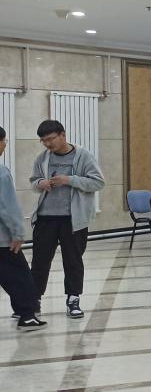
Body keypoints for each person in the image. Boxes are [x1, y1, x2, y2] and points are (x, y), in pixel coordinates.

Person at [29, 119, 105, 320]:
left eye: (50, 139)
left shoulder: (83, 156)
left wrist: (70, 180)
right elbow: (33, 181)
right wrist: (41, 183)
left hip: (73, 220)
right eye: (43, 141)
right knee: (39, 261)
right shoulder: (43, 157)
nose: (47, 144)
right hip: (45, 217)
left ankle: (73, 299)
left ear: (63, 135)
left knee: (73, 260)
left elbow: (98, 182)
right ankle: (33, 300)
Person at [1, 127, 46, 329]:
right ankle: (27, 315)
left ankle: (21, 310)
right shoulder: (1, 172)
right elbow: (7, 206)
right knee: (21, 277)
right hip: (3, 239)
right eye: (4, 141)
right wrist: (18, 233)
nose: (5, 145)